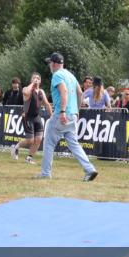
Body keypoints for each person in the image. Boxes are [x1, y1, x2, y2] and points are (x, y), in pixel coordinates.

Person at [37, 52, 99, 183]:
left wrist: (63, 111)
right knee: (74, 144)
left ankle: (45, 173)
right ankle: (89, 169)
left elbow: (64, 91)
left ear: (54, 64)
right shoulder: (70, 75)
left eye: (50, 63)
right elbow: (80, 92)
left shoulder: (57, 75)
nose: (49, 65)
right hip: (72, 115)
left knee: (48, 143)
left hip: (61, 114)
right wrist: (76, 112)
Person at [11, 72, 47, 164]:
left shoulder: (41, 92)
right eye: (34, 78)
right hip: (27, 116)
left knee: (38, 139)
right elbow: (26, 92)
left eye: (38, 78)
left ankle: (29, 158)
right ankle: (16, 147)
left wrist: (52, 115)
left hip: (37, 117)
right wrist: (33, 84)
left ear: (40, 81)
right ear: (31, 80)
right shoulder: (26, 89)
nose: (36, 79)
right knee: (30, 141)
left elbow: (46, 104)